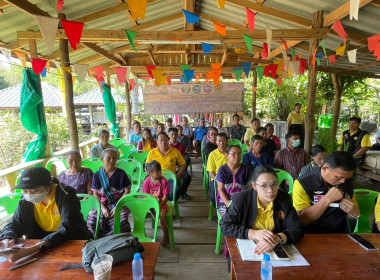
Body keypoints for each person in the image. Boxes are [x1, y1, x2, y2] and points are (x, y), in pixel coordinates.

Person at [0, 167, 90, 263]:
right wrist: (7, 238)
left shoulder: (66, 194)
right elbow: (15, 222)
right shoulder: (25, 199)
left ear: (49, 185)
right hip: (43, 242)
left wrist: (29, 251)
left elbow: (68, 227)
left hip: (71, 240)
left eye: (35, 191)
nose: (29, 195)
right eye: (25, 191)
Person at [220, 165, 304, 255]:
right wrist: (253, 233)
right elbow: (225, 225)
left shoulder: (283, 199)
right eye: (264, 186)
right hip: (248, 247)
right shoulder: (241, 200)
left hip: (274, 247)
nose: (270, 191)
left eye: (274, 184)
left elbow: (297, 228)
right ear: (254, 186)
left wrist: (277, 238)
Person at [293, 151, 360, 233]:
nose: (343, 181)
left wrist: (353, 212)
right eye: (338, 177)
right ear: (325, 169)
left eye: (346, 178)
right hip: (311, 234)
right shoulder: (303, 183)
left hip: (340, 233)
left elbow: (352, 216)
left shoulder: (346, 183)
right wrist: (327, 199)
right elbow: (302, 220)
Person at [88, 149, 131, 238]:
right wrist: (102, 208)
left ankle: (119, 242)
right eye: (108, 158)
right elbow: (95, 194)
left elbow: (127, 191)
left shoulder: (121, 174)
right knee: (92, 221)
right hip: (101, 204)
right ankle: (97, 243)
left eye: (114, 158)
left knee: (122, 221)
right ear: (102, 160)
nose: (112, 161)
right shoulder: (97, 175)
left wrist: (116, 207)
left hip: (119, 203)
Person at [146, 132, 191, 201]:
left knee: (176, 191)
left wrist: (177, 175)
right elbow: (147, 166)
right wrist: (151, 177)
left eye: (165, 140)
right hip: (155, 179)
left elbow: (183, 164)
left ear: (168, 140)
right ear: (157, 142)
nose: (163, 142)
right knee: (149, 193)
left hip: (170, 179)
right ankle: (160, 204)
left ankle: (165, 204)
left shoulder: (175, 151)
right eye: (161, 140)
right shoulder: (152, 152)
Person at [216, 145, 252, 216]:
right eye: (234, 154)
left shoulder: (246, 169)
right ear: (227, 155)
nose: (237, 156)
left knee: (246, 216)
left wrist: (241, 201)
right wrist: (227, 203)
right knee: (229, 217)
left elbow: (249, 187)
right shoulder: (222, 170)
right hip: (225, 200)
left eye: (239, 154)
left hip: (241, 199)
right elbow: (221, 189)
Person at [143, 160, 170, 245]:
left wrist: (159, 205)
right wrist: (150, 205)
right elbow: (146, 196)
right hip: (150, 203)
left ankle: (166, 235)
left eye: (160, 171)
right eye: (156, 172)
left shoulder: (163, 181)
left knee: (161, 218)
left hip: (161, 203)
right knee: (140, 215)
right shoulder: (147, 182)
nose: (159, 173)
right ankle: (142, 236)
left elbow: (165, 197)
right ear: (150, 173)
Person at [207, 133, 228, 207]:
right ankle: (220, 212)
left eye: (223, 141)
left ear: (227, 141)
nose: (221, 143)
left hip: (230, 179)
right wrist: (218, 181)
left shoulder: (231, 153)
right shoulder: (212, 154)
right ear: (216, 142)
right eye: (219, 141)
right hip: (216, 179)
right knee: (214, 197)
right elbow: (211, 172)